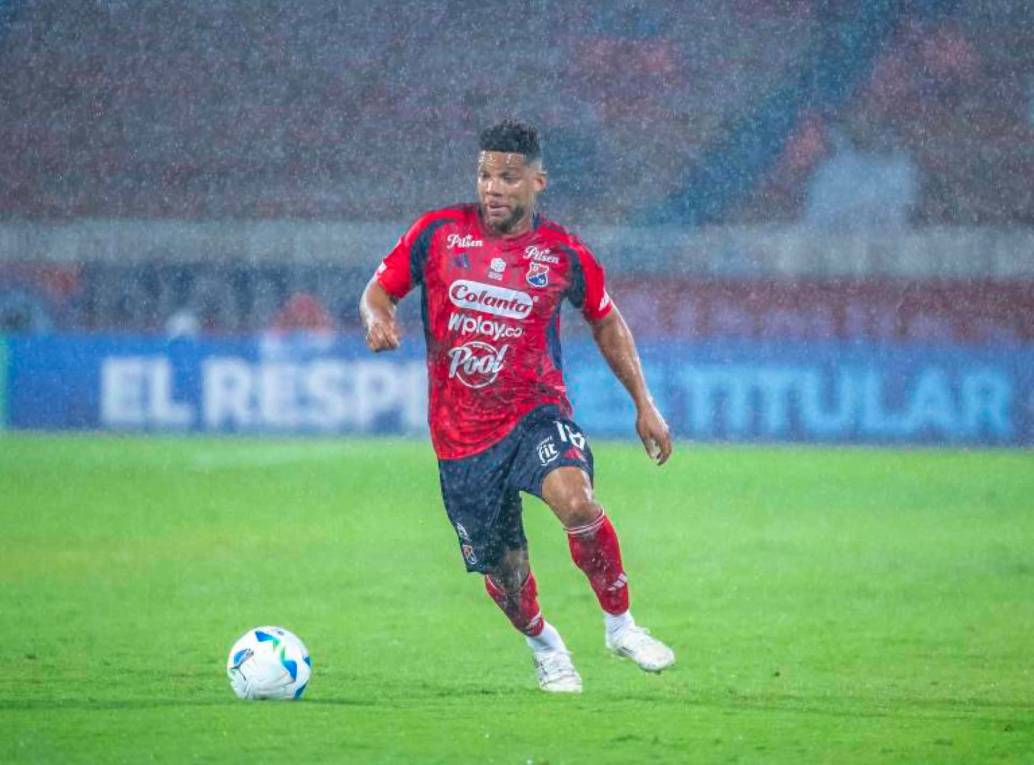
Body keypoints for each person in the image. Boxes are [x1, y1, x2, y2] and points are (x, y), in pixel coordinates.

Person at [359, 119, 674, 693]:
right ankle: (546, 647)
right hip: (461, 441)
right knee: (508, 574)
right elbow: (378, 290)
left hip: (535, 415)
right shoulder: (437, 233)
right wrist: (378, 317)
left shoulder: (563, 253)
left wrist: (644, 404)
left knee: (577, 502)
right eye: (485, 175)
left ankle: (621, 626)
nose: (493, 188)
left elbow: (606, 320)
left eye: (507, 177)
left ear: (537, 182)